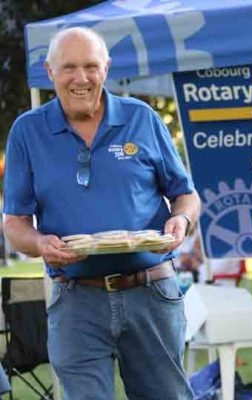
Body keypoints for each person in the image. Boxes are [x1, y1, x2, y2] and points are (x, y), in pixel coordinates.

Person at [2, 27, 200, 399]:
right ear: (49, 71)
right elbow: (14, 225)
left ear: (106, 68)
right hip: (76, 298)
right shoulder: (27, 132)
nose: (81, 78)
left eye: (91, 66)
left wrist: (181, 220)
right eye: (69, 68)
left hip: (151, 292)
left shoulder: (141, 118)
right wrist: (41, 243)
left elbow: (185, 195)